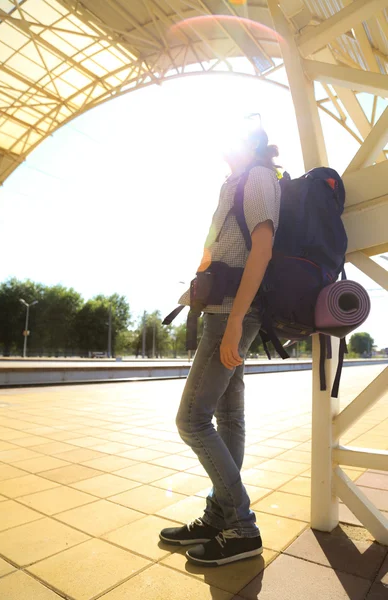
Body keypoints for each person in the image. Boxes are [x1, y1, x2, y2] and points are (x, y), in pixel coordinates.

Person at [159, 126, 281, 567]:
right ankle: (219, 517)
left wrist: (233, 322)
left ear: (251, 144)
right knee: (228, 418)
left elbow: (262, 249)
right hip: (223, 311)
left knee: (191, 421)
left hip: (234, 314)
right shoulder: (234, 181)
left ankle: (242, 527)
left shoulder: (260, 178)